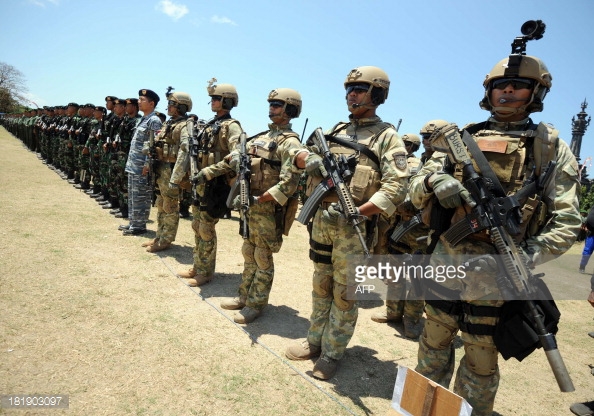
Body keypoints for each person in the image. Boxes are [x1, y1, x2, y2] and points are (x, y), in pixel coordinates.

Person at [408, 52, 581, 415]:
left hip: (498, 277)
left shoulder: (548, 148)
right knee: (431, 348)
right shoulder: (461, 139)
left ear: (537, 93)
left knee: (479, 365)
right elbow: (413, 188)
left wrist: (526, 256)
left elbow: (567, 221)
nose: (508, 91)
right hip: (444, 263)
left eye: (518, 86)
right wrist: (432, 179)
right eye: (500, 85)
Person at [285, 66, 409, 379]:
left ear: (378, 94)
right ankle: (314, 340)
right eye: (349, 89)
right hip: (322, 221)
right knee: (321, 284)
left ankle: (332, 352)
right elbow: (300, 156)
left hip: (355, 228)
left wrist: (363, 211)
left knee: (345, 294)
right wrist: (308, 159)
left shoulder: (386, 136)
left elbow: (398, 185)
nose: (351, 94)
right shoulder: (337, 128)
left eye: (360, 88)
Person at [211, 88, 304, 324]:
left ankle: (256, 303)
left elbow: (289, 183)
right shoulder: (262, 136)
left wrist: (263, 199)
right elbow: (237, 156)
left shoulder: (290, 142)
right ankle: (244, 295)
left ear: (290, 109)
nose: (271, 108)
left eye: (277, 104)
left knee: (262, 256)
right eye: (271, 104)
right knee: (248, 251)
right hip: (249, 204)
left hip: (267, 209)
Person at [176, 82, 243, 286]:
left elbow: (238, 154)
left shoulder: (232, 126)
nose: (212, 102)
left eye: (216, 98)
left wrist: (209, 171)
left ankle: (205, 272)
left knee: (206, 228)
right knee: (197, 225)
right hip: (200, 183)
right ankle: (198, 265)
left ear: (227, 101)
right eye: (212, 98)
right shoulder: (211, 124)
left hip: (215, 184)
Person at [370, 132, 426, 340]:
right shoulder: (396, 161)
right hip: (398, 226)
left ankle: (412, 319)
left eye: (410, 143)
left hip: (420, 230)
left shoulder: (424, 164)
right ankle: (392, 311)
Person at [142, 91, 192, 252]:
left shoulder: (184, 126)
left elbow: (185, 151)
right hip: (160, 168)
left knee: (170, 206)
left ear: (181, 107)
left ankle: (166, 239)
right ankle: (160, 235)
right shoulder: (168, 124)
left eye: (172, 104)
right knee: (161, 204)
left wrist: (176, 177)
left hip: (171, 171)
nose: (168, 107)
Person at [120, 89, 162, 235]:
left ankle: (139, 226)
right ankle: (133, 222)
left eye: (142, 100)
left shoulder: (154, 121)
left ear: (151, 104)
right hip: (133, 164)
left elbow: (153, 145)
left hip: (142, 166)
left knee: (141, 196)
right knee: (133, 195)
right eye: (139, 99)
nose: (139, 102)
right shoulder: (142, 119)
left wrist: (147, 163)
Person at [579, 205, 594, 273]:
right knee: (587, 251)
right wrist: (586, 225)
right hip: (591, 233)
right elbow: (590, 217)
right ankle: (582, 266)